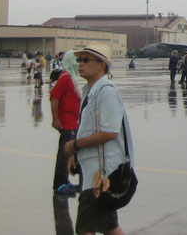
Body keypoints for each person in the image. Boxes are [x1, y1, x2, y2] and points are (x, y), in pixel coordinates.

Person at [64, 42, 134, 235]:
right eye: (79, 60)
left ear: (101, 64)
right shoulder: (90, 91)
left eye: (86, 60)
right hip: (92, 170)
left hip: (101, 174)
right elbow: (86, 128)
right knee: (109, 226)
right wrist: (75, 155)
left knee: (85, 228)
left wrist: (75, 145)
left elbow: (109, 132)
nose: (81, 64)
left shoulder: (107, 92)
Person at [51, 50, 82, 195]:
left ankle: (64, 180)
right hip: (66, 122)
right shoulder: (65, 77)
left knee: (68, 153)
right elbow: (54, 97)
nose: (80, 64)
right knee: (63, 154)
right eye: (77, 61)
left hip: (73, 122)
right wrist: (56, 119)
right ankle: (59, 184)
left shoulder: (72, 78)